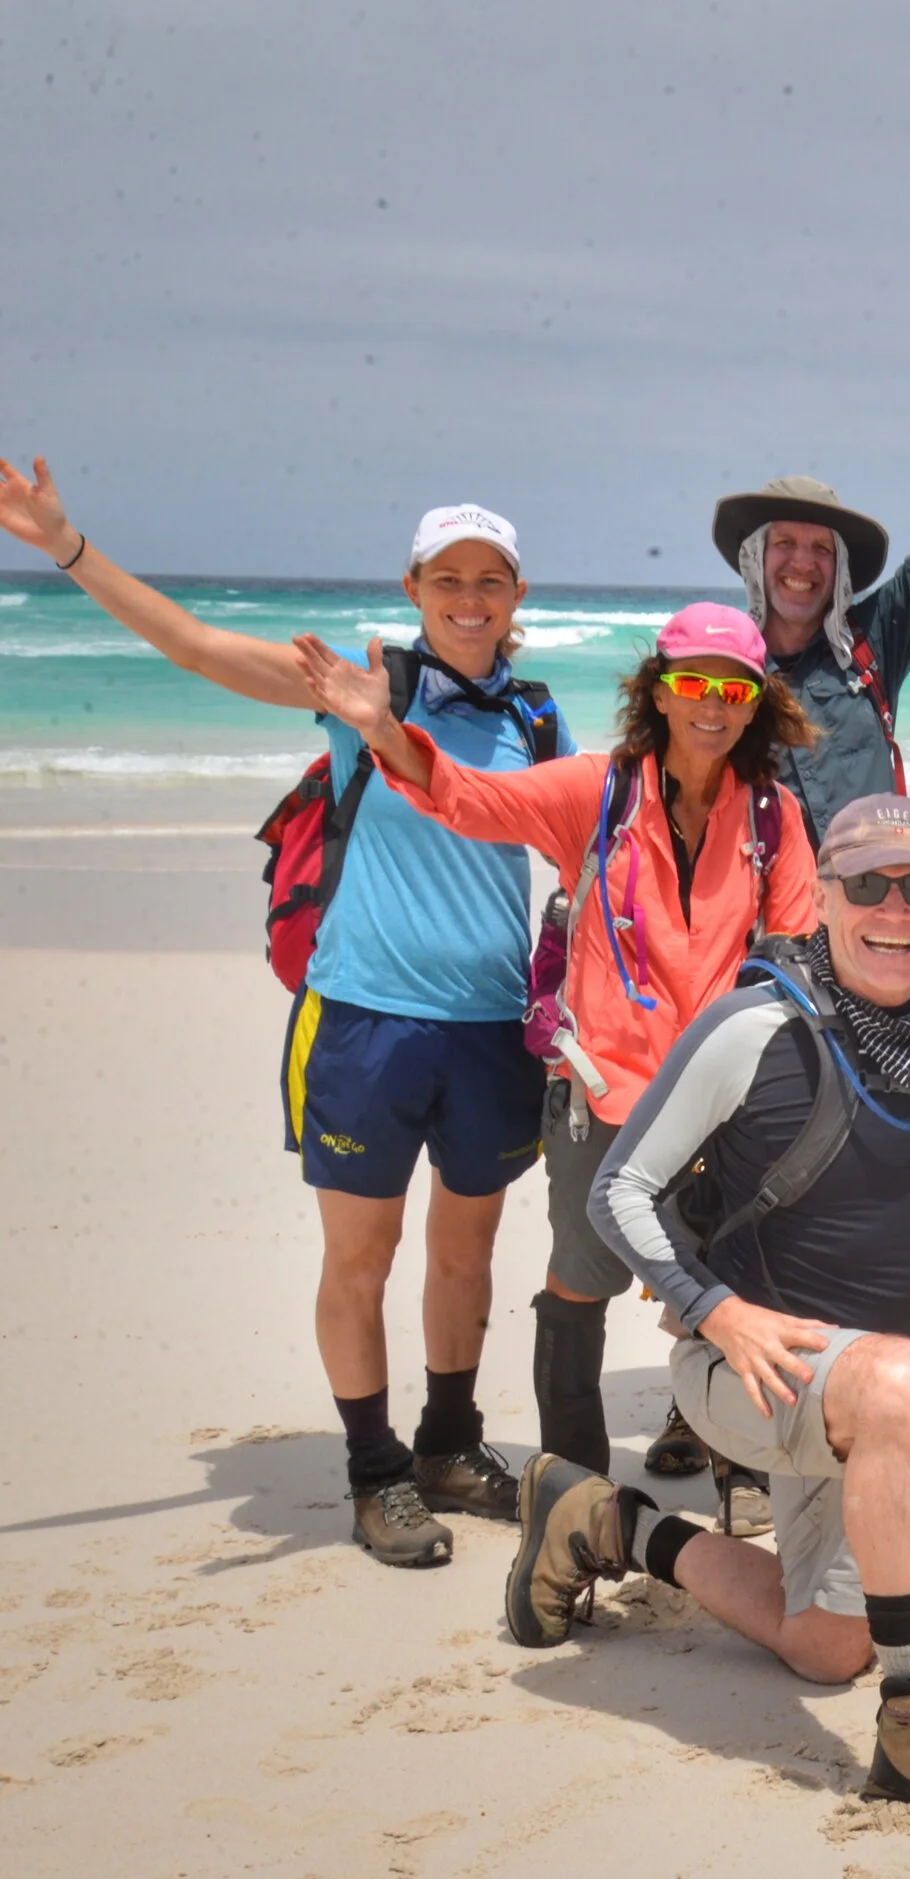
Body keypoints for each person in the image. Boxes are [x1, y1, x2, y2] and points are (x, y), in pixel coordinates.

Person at [0, 461, 573, 1568]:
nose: (468, 597)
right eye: (446, 578)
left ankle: (449, 1445)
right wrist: (69, 547)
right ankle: (375, 1474)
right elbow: (198, 648)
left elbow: (586, 851)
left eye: (488, 580)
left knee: (469, 1248)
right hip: (365, 1022)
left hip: (495, 1027)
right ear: (412, 587)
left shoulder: (537, 715)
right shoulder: (364, 690)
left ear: (516, 594)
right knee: (361, 1252)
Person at [505, 794, 910, 1821]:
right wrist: (714, 1309)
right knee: (909, 1375)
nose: (895, 910)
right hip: (750, 1372)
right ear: (821, 897)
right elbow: (617, 1190)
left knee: (825, 1648)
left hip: (863, 1405)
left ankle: (601, 1521)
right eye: (867, 885)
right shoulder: (754, 1024)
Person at [294, 602, 818, 1507]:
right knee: (581, 1283)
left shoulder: (772, 816)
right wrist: (383, 729)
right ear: (658, 691)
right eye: (691, 681)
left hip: (726, 1110)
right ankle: (578, 1495)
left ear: (754, 703)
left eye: (732, 687)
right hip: (602, 1102)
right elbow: (470, 798)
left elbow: (802, 958)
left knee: (730, 1282)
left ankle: (741, 1465)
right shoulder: (596, 790)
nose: (711, 702)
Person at [709, 294, 910, 1464]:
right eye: (783, 547)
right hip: (752, 961)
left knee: (904, 1156)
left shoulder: (869, 652)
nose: (801, 564)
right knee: (741, 1165)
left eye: (819, 550)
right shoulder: (715, 670)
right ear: (756, 562)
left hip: (887, 948)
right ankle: (724, 1375)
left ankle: (908, 1358)